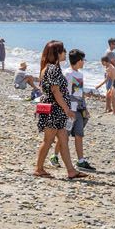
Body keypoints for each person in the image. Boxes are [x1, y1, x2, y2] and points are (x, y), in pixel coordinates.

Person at [33, 40, 88, 180]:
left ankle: (71, 171)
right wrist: (67, 109)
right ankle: (38, 169)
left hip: (56, 109)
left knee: (63, 140)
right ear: (57, 53)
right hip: (54, 110)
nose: (65, 53)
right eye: (63, 51)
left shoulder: (50, 68)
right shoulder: (52, 69)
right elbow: (55, 91)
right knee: (48, 140)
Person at [64, 49, 95, 171]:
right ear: (79, 60)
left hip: (79, 109)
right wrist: (66, 108)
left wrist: (85, 108)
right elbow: (63, 91)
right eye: (83, 60)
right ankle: (54, 156)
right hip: (70, 110)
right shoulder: (67, 73)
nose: (84, 62)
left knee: (79, 134)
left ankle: (81, 161)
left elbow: (79, 93)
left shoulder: (80, 75)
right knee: (64, 135)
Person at [102, 38, 115, 109]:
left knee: (109, 90)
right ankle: (108, 107)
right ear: (111, 44)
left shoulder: (107, 51)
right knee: (110, 90)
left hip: (108, 72)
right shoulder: (110, 52)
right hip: (111, 73)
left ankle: (108, 107)